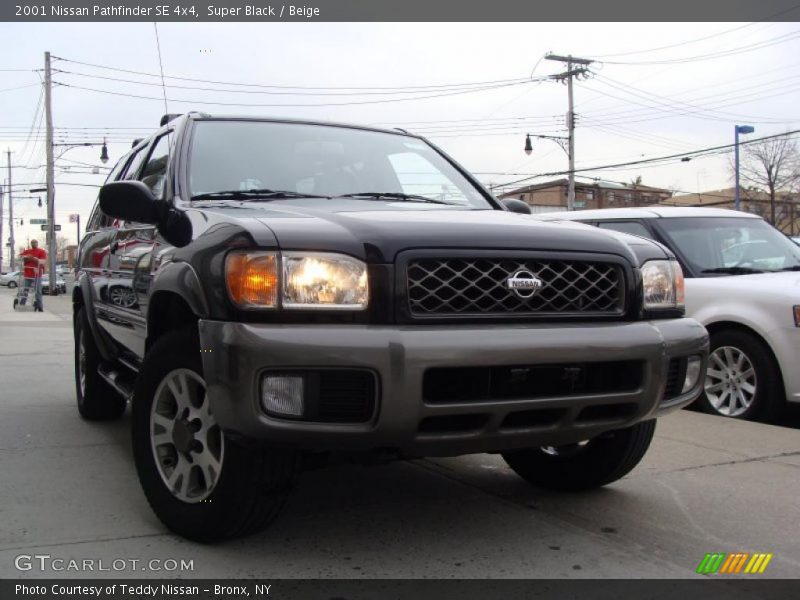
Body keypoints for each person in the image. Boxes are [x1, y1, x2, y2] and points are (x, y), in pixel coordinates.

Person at [17, 239, 47, 312]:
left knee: (38, 291)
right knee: (25, 290)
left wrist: (34, 259)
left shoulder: (41, 251)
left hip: (37, 274)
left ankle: (40, 307)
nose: (34, 243)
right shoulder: (27, 251)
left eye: (35, 242)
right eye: (32, 242)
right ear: (31, 244)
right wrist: (25, 256)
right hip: (27, 274)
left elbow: (43, 261)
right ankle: (22, 304)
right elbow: (20, 257)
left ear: (37, 243)